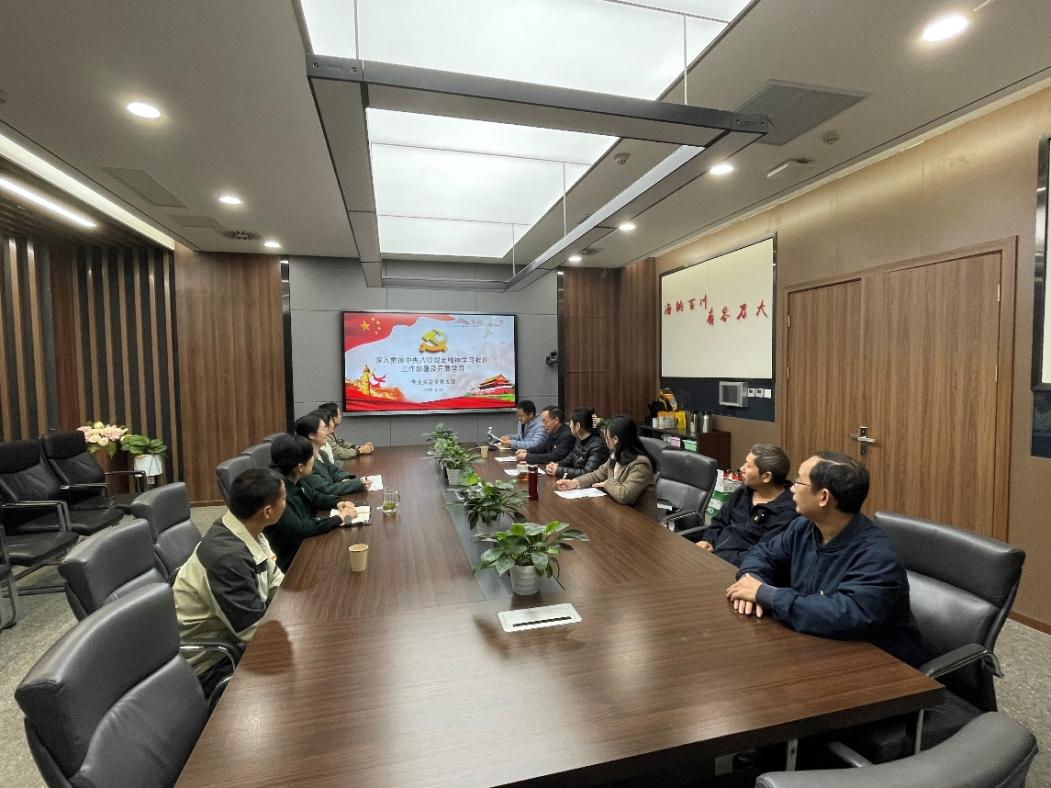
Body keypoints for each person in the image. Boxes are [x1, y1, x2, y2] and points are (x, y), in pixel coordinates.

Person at [726, 452, 923, 666]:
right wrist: (751, 580)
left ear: (823, 497)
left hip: (880, 664)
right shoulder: (803, 526)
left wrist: (767, 595)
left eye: (799, 481)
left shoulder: (877, 554)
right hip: (818, 646)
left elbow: (847, 615)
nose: (791, 488)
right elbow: (763, 553)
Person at [172, 467, 286, 694]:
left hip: (235, 637)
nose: (286, 503)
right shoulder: (228, 559)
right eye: (284, 499)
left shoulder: (245, 529)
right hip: (211, 664)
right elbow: (254, 633)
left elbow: (276, 581)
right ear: (267, 511)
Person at [265, 433, 354, 571]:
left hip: (305, 544)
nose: (314, 459)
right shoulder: (278, 491)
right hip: (293, 560)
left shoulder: (292, 476)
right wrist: (338, 518)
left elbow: (313, 496)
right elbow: (300, 528)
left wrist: (337, 503)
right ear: (300, 466)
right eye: (311, 456)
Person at [697, 444, 796, 564]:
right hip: (714, 556)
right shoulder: (743, 492)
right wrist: (708, 540)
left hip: (738, 567)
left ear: (766, 476)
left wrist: (719, 557)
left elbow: (762, 556)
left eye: (748, 466)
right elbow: (719, 521)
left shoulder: (787, 514)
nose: (741, 468)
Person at [555, 415, 654, 505]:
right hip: (616, 508)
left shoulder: (640, 464)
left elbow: (624, 495)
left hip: (637, 515)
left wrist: (607, 483)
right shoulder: (616, 456)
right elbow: (597, 475)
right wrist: (574, 483)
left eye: (607, 437)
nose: (605, 441)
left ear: (615, 439)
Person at [295, 410, 370, 507]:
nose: (327, 433)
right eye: (323, 429)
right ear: (311, 435)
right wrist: (356, 484)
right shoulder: (306, 462)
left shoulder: (321, 453)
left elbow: (335, 472)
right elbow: (326, 489)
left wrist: (347, 479)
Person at [548, 407, 609, 480]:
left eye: (571, 423)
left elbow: (587, 473)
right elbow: (571, 458)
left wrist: (558, 471)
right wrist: (556, 465)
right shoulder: (579, 439)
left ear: (577, 426)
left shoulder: (597, 446)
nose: (570, 426)